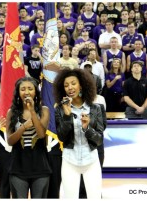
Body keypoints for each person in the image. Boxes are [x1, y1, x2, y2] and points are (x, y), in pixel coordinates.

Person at [53, 68, 103, 199]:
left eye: (73, 83)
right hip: (70, 160)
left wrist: (87, 129)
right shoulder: (60, 109)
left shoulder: (95, 108)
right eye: (66, 85)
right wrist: (67, 115)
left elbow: (99, 140)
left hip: (91, 160)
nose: (70, 87)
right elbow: (62, 137)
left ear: (81, 85)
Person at [6, 77, 51, 198]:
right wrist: (23, 127)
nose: (26, 92)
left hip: (40, 166)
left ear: (35, 91)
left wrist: (32, 110)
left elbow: (41, 134)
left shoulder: (44, 110)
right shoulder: (11, 112)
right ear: (18, 92)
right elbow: (10, 141)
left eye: (30, 88)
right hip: (17, 167)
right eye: (23, 89)